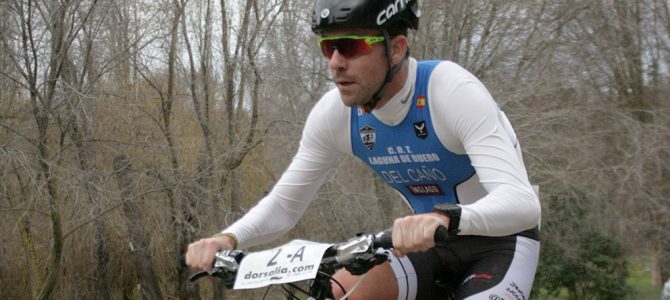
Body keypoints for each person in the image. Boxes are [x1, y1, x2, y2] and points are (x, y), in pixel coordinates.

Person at [186, 0, 541, 299]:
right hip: (421, 245)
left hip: (500, 244)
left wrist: (444, 217)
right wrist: (227, 238)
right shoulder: (335, 114)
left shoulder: (449, 91)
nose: (335, 63)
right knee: (340, 288)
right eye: (328, 47)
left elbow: (522, 204)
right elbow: (285, 204)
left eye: (352, 46)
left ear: (397, 48)